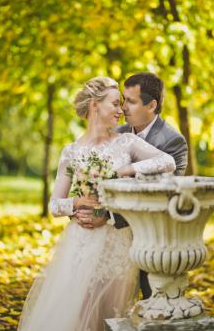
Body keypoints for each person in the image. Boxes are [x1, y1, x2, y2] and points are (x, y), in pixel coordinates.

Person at [18, 77, 176, 331]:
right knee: (78, 315)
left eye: (122, 104)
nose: (120, 110)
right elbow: (54, 204)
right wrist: (76, 203)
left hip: (118, 245)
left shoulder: (127, 142)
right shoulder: (71, 151)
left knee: (112, 315)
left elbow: (167, 162)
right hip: (82, 245)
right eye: (115, 104)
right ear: (95, 106)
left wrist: (129, 169)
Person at [77, 72, 188, 301]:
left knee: (152, 307)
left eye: (131, 101)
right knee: (101, 302)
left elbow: (161, 197)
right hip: (112, 243)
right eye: (123, 100)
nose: (123, 107)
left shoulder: (173, 142)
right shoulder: (116, 133)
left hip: (153, 240)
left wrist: (107, 215)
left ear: (152, 105)